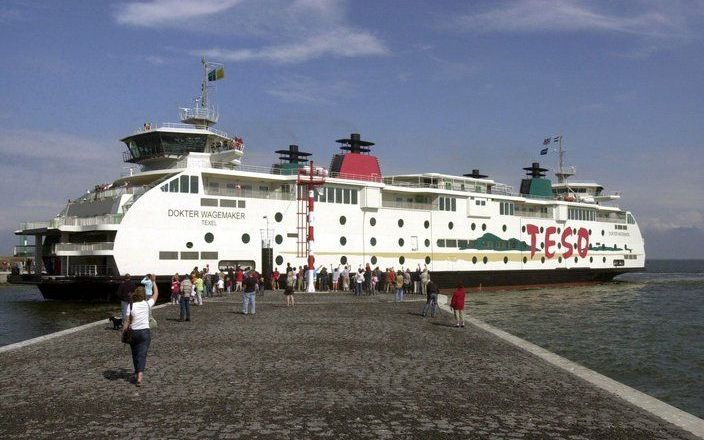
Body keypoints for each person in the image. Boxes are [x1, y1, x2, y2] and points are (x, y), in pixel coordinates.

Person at [122, 275, 158, 386]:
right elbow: (156, 294)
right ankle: (139, 376)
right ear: (143, 295)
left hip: (133, 332)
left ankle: (137, 370)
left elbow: (127, 321)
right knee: (142, 354)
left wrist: (124, 332)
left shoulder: (131, 306)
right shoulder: (147, 304)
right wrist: (154, 282)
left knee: (134, 353)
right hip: (144, 332)